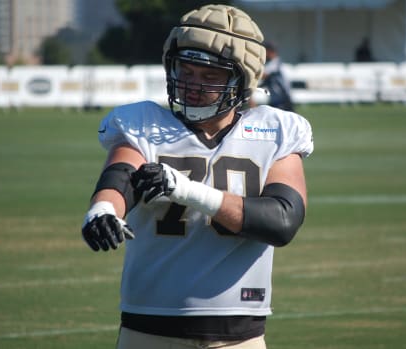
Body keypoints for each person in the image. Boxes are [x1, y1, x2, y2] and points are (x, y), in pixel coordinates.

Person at [80, 4, 313, 349]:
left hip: (239, 334)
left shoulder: (275, 129)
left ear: (241, 80)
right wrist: (102, 210)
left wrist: (188, 191)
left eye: (209, 76)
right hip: (148, 327)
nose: (192, 85)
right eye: (185, 71)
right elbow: (120, 176)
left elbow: (282, 221)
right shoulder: (144, 124)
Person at [260, 42, 295, 111]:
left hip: (282, 101)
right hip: (277, 101)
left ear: (269, 51)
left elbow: (263, 75)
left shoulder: (275, 64)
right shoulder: (276, 63)